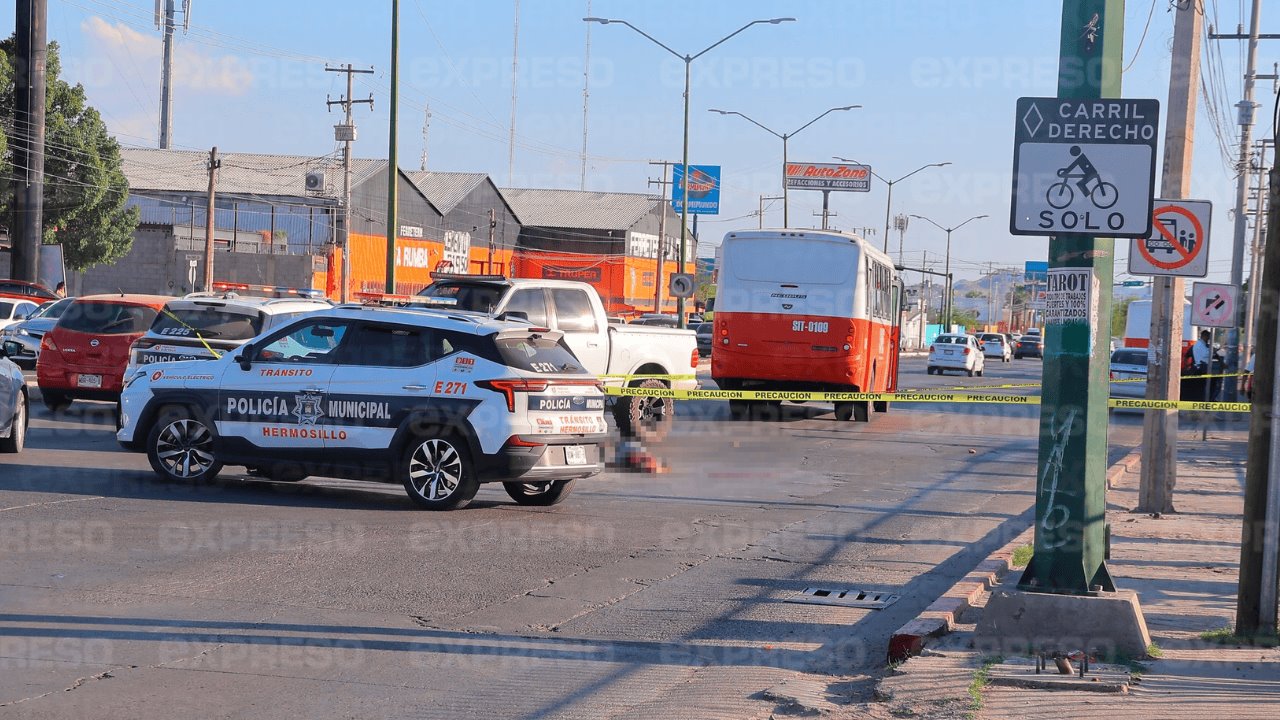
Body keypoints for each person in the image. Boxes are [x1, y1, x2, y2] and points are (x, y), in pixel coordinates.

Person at [1191, 329, 1213, 400]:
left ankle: (1204, 398)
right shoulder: (1200, 345)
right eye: (1208, 337)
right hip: (1201, 368)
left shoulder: (1202, 344)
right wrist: (1213, 350)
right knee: (1202, 387)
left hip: (1202, 367)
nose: (1209, 338)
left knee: (1203, 386)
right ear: (1204, 336)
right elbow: (1206, 354)